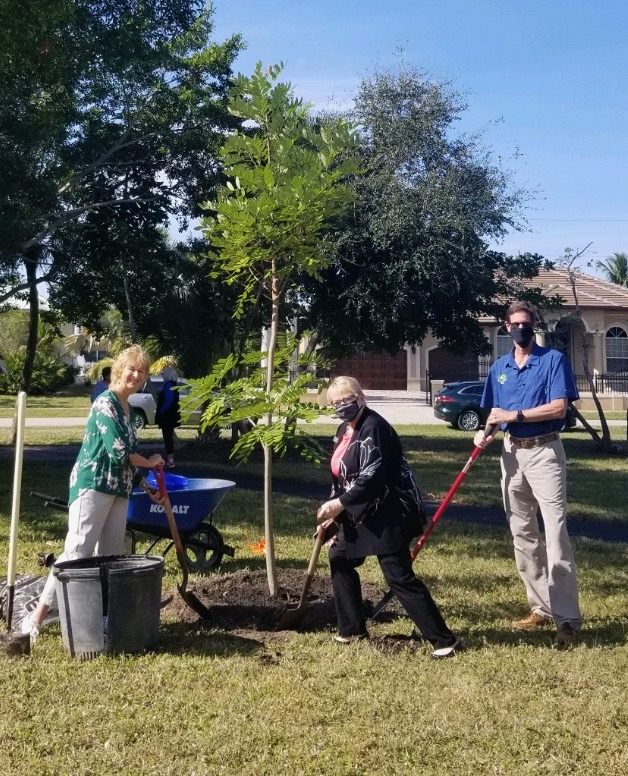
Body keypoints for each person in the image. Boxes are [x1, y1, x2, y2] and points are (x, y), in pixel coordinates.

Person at [21, 345, 165, 642]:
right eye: (132, 369)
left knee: (110, 556)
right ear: (119, 371)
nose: (136, 375)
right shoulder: (106, 403)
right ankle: (35, 617)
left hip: (118, 489)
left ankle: (101, 618)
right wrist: (150, 462)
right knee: (77, 551)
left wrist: (147, 487)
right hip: (93, 485)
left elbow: (129, 460)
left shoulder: (127, 409)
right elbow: (118, 452)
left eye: (142, 372)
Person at [317, 376, 461, 660]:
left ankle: (444, 640)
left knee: (399, 577)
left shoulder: (375, 427)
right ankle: (351, 629)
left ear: (361, 397)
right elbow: (340, 477)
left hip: (388, 514)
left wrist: (339, 504)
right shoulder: (343, 430)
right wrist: (333, 516)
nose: (341, 407)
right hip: (356, 515)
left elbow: (372, 476)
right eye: (335, 403)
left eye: (346, 400)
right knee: (340, 558)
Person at [473, 300, 582, 649]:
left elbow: (559, 407)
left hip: (545, 451)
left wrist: (515, 415)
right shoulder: (499, 367)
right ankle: (541, 608)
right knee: (522, 534)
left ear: (533, 326)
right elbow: (493, 412)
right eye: (515, 324)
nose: (521, 328)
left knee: (555, 533)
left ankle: (566, 619)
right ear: (506, 328)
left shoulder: (552, 361)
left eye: (527, 324)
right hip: (510, 454)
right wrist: (485, 431)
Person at [155, 366, 181, 469]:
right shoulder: (174, 385)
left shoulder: (168, 385)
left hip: (167, 416)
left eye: (163, 373)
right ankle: (170, 459)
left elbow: (168, 401)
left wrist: (161, 411)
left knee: (167, 437)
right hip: (172, 415)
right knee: (169, 436)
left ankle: (170, 460)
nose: (162, 375)